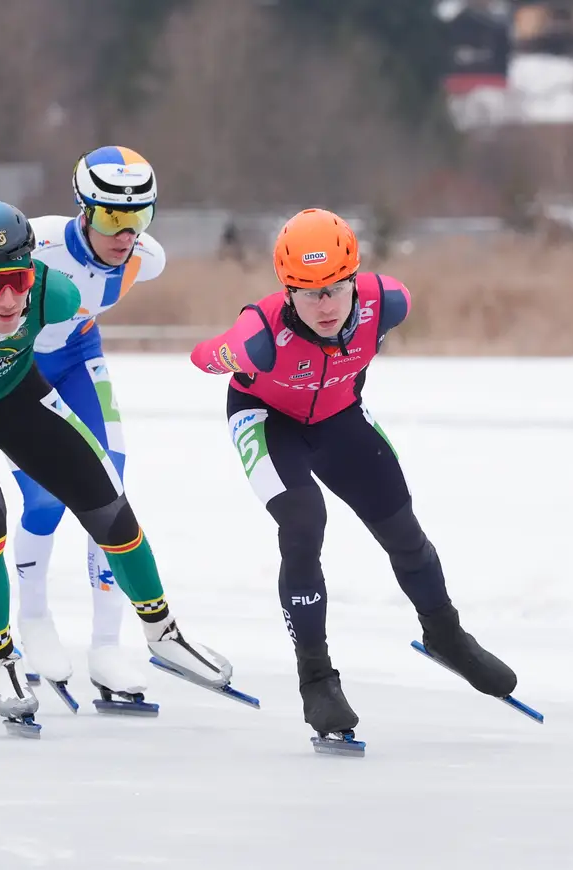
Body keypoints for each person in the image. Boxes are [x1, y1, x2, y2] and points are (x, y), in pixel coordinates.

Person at [0, 199, 233, 729]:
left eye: (18, 280)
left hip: (15, 394)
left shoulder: (55, 295)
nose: (9, 299)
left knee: (109, 502)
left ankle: (163, 633)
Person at [190, 207, 518, 741]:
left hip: (339, 415)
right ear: (287, 291)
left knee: (401, 525)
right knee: (303, 521)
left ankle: (445, 634)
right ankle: (316, 677)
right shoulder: (260, 333)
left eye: (336, 289)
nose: (325, 305)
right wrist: (228, 354)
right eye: (309, 293)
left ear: (354, 279)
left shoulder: (388, 302)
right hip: (268, 421)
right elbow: (199, 356)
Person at [0, 145, 166, 701]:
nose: (126, 234)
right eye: (113, 218)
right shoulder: (35, 243)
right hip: (19, 369)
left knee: (110, 494)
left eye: (139, 217)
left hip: (76, 360)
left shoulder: (148, 258)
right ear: (84, 211)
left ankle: (106, 646)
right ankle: (34, 618)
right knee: (45, 499)